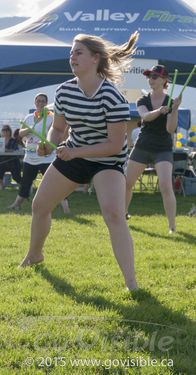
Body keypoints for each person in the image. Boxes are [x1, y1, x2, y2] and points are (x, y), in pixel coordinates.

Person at [18, 32, 140, 291]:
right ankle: (34, 255)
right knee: (40, 206)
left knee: (115, 215)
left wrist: (75, 152)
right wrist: (47, 142)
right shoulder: (63, 91)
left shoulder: (112, 96)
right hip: (74, 154)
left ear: (96, 58)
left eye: (78, 52)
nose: (72, 56)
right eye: (71, 52)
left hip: (108, 160)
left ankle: (131, 283)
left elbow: (116, 144)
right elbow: (58, 129)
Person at [124, 65, 181, 234]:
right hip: (143, 145)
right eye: (149, 77)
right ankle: (123, 213)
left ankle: (172, 227)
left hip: (162, 147)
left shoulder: (170, 101)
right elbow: (145, 116)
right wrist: (159, 110)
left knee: (165, 185)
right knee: (127, 183)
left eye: (155, 77)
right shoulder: (142, 100)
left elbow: (170, 129)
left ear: (164, 80)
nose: (151, 80)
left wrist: (174, 110)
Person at [7, 94, 69, 213]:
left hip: (46, 157)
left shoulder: (51, 118)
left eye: (43, 101)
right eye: (38, 101)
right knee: (25, 183)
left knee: (55, 184)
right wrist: (29, 129)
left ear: (46, 103)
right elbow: (20, 133)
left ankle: (66, 208)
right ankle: (16, 204)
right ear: (35, 102)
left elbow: (55, 135)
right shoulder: (29, 117)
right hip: (30, 157)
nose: (40, 103)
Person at [0, 125, 22, 190]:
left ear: (10, 131)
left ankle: (23, 185)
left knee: (16, 177)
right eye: (3, 130)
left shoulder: (14, 140)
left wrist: (6, 150)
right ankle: (2, 185)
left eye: (7, 130)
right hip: (2, 161)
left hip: (12, 160)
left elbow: (15, 150)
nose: (5, 131)